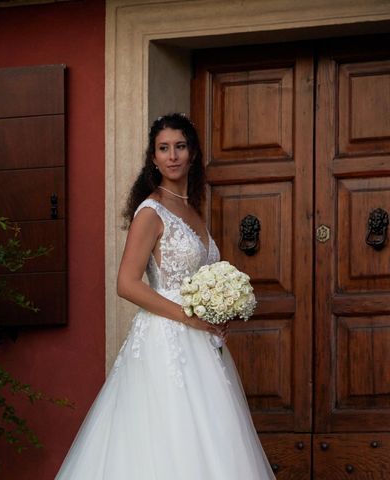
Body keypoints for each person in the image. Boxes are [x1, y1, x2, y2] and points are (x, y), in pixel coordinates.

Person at [55, 113, 275, 479]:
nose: (172, 155)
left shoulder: (191, 210)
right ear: (153, 158)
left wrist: (219, 310)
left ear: (192, 154)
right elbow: (127, 284)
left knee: (212, 437)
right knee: (168, 437)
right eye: (163, 148)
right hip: (166, 342)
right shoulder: (150, 211)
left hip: (203, 341)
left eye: (180, 146)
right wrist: (190, 317)